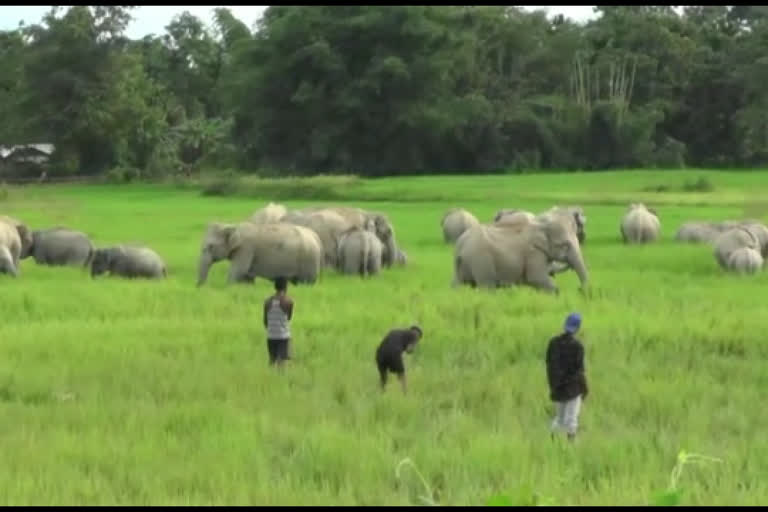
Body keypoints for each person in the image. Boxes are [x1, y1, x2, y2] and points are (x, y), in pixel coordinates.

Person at [546, 312, 588, 441]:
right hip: (573, 388)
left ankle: (551, 441)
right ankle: (571, 446)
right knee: (572, 418)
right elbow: (579, 371)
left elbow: (548, 364)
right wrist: (585, 388)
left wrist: (553, 385)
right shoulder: (578, 347)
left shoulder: (553, 343)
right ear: (578, 327)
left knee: (559, 418)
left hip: (557, 387)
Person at [375, 325, 423, 394]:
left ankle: (382, 393)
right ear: (418, 334)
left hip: (380, 353)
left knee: (383, 377)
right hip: (394, 352)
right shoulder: (415, 335)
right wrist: (413, 348)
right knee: (401, 374)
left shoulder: (395, 331)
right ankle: (405, 394)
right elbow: (409, 350)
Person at [263, 276, 294, 367]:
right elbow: (288, 318)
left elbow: (265, 321)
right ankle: (280, 379)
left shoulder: (267, 302)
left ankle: (270, 377)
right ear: (285, 287)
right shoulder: (288, 301)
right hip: (283, 336)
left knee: (272, 359)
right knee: (281, 361)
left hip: (271, 336)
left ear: (275, 287)